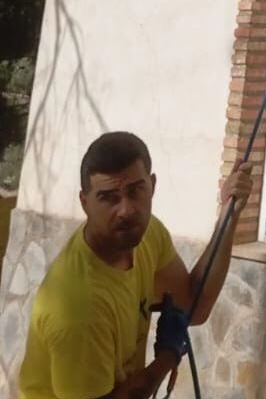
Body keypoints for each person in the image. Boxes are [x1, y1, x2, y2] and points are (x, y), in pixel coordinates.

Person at [18, 131, 253, 399]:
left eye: (135, 190)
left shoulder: (148, 234)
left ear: (152, 185)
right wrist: (167, 355)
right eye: (108, 197)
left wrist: (229, 215)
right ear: (85, 202)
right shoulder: (77, 304)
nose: (126, 210)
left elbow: (194, 306)